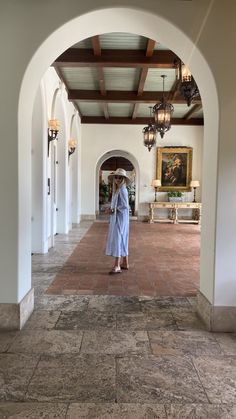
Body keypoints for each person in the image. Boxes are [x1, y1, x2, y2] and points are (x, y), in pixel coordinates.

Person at [105, 168, 130, 274]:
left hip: (120, 218)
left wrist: (111, 210)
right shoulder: (119, 189)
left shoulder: (122, 190)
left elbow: (125, 207)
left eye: (120, 177)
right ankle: (125, 263)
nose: (118, 179)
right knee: (123, 238)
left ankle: (117, 265)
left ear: (124, 179)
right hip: (119, 217)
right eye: (116, 177)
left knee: (118, 239)